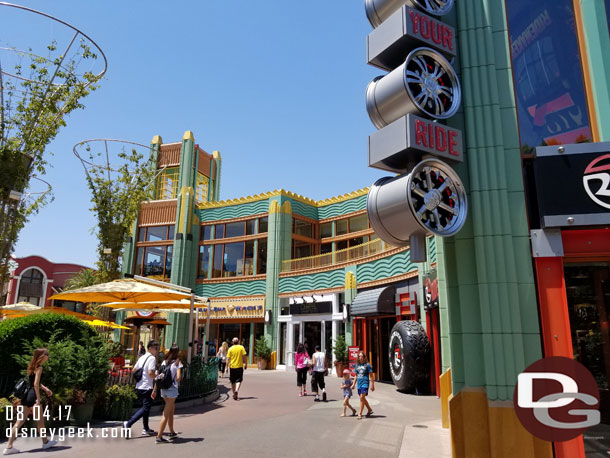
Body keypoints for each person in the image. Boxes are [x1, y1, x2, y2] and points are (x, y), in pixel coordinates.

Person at [4, 348, 57, 455]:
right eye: (47, 355)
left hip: (26, 396)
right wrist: (38, 398)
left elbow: (35, 382)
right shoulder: (40, 367)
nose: (48, 357)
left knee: (19, 421)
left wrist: (45, 388)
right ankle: (45, 442)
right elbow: (35, 384)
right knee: (40, 422)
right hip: (33, 396)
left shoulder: (32, 366)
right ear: (42, 356)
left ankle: (8, 447)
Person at [124, 340, 159, 437]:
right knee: (145, 408)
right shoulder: (152, 358)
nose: (157, 350)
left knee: (145, 407)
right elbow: (151, 372)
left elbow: (134, 370)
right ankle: (128, 423)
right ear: (151, 348)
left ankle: (146, 428)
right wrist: (156, 377)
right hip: (147, 386)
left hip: (139, 385)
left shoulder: (142, 357)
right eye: (156, 348)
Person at [155, 344, 182, 443]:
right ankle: (159, 436)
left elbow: (159, 376)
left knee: (171, 410)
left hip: (163, 389)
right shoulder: (177, 362)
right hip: (172, 389)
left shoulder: (164, 361)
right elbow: (178, 378)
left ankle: (171, 432)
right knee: (166, 413)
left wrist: (155, 389)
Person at [352, 351, 375, 419]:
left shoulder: (367, 365)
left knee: (362, 397)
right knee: (362, 398)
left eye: (362, 356)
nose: (361, 358)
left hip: (365, 383)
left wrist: (372, 385)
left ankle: (360, 414)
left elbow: (371, 376)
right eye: (359, 356)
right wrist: (353, 384)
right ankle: (369, 409)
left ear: (364, 357)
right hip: (359, 384)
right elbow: (356, 376)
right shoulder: (357, 365)